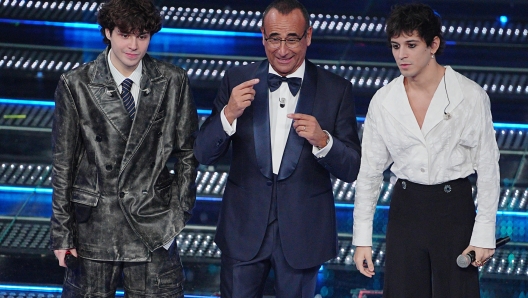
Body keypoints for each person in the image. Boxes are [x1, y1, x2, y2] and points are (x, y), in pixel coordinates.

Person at [194, 0, 361, 296]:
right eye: (274, 39)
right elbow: (203, 153)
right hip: (243, 230)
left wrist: (323, 142)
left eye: (292, 39)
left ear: (308, 36)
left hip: (303, 234)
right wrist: (228, 114)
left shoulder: (336, 89)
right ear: (263, 36)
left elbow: (351, 168)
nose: (282, 50)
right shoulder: (236, 80)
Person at [49, 0, 198, 296]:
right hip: (94, 226)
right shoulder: (75, 84)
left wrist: (176, 217)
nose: (133, 45)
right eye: (125, 35)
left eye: (142, 36)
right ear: (107, 32)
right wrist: (61, 235)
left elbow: (188, 154)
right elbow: (63, 163)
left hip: (153, 226)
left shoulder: (172, 81)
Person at [352, 3, 500, 297]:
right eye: (395, 45)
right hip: (406, 210)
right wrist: (362, 239)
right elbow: (369, 173)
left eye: (411, 44)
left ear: (433, 45)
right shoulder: (383, 101)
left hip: (454, 209)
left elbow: (488, 167)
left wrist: (484, 233)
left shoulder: (470, 95)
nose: (401, 55)